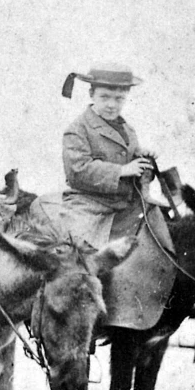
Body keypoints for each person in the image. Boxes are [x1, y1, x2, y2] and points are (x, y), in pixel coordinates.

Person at [60, 63, 160, 250]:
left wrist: (143, 158)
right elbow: (77, 170)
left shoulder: (128, 130)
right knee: (77, 253)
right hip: (89, 206)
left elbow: (128, 159)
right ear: (92, 95)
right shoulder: (77, 129)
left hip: (126, 203)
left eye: (119, 98)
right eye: (104, 97)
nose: (112, 105)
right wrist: (122, 170)